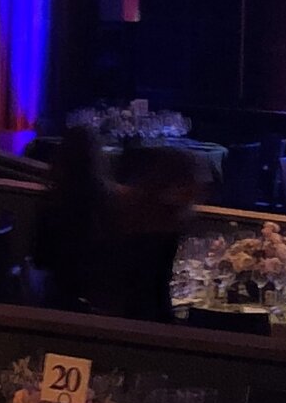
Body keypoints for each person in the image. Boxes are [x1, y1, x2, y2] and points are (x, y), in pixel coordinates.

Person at [87, 144, 203, 323]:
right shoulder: (156, 232)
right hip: (132, 327)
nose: (197, 188)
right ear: (171, 184)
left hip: (116, 316)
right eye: (189, 180)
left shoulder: (133, 213)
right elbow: (149, 299)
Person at [30, 119, 113, 309]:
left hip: (57, 300)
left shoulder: (53, 202)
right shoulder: (108, 202)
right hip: (101, 302)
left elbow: (39, 259)